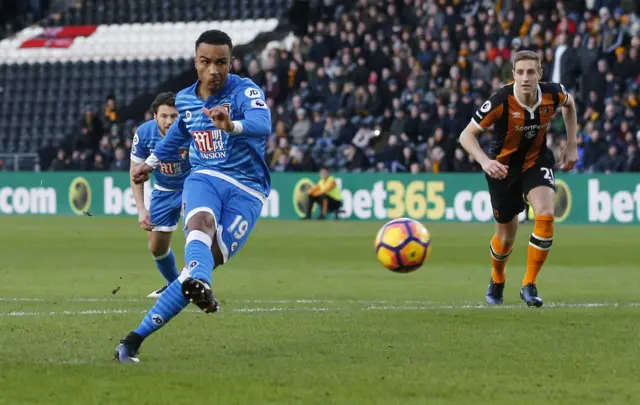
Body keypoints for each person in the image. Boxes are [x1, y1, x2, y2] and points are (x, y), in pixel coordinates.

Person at [114, 29, 272, 363]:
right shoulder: (186, 100)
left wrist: (231, 126)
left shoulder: (245, 90)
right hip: (205, 176)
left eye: (221, 62)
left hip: (248, 189)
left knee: (197, 268)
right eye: (206, 62)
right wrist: (152, 163)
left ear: (231, 63)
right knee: (200, 222)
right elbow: (180, 133)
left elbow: (262, 122)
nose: (214, 69)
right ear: (195, 62)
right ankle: (196, 283)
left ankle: (132, 341)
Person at [458, 50, 578, 307]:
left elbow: (570, 103)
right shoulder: (500, 100)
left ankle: (529, 284)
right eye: (520, 72)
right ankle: (497, 279)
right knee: (506, 236)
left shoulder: (553, 93)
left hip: (536, 163)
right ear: (513, 75)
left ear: (540, 74)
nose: (525, 77)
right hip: (501, 170)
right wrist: (485, 161)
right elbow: (466, 135)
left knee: (545, 213)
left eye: (531, 72)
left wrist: (572, 143)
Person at [129, 92, 191, 298]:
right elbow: (135, 171)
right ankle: (177, 286)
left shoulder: (190, 130)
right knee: (156, 247)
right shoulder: (145, 133)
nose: (169, 121)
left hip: (192, 186)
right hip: (164, 191)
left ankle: (198, 283)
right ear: (155, 116)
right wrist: (140, 209)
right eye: (164, 116)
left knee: (198, 235)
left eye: (174, 116)